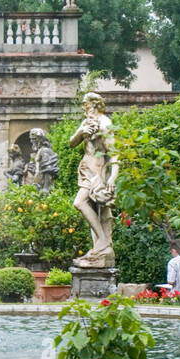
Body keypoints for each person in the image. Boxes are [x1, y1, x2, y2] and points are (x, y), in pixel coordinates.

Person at [67, 93, 116, 267]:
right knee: (97, 211)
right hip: (86, 169)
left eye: (85, 105)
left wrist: (113, 177)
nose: (83, 108)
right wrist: (82, 132)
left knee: (79, 202)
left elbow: (115, 153)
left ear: (94, 104)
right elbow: (71, 142)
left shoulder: (105, 123)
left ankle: (103, 242)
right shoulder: (87, 122)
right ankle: (100, 247)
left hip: (98, 172)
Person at [28, 128, 58, 193]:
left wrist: (46, 188)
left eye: (34, 139)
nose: (31, 141)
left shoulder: (45, 151)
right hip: (38, 184)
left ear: (40, 139)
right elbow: (40, 170)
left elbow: (49, 171)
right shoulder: (39, 151)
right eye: (31, 139)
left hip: (44, 186)